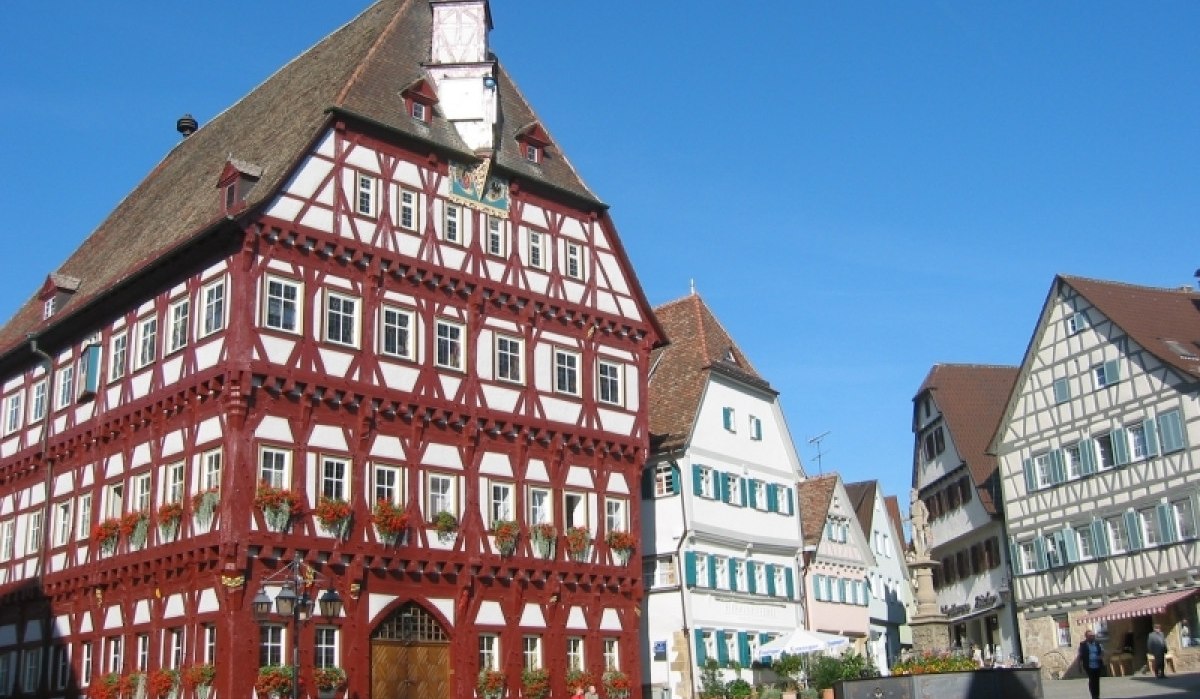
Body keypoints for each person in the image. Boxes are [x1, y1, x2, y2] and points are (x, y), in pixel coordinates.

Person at [1078, 629, 1105, 699]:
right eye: (1090, 636)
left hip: (1097, 664)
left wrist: (1101, 656)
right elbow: (1080, 655)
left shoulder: (1098, 643)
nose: (1092, 637)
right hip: (1088, 665)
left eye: (1093, 635)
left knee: (1096, 680)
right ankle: (1094, 695)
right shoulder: (1083, 645)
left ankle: (1097, 695)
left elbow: (1102, 651)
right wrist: (1079, 666)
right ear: (1086, 637)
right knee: (1092, 680)